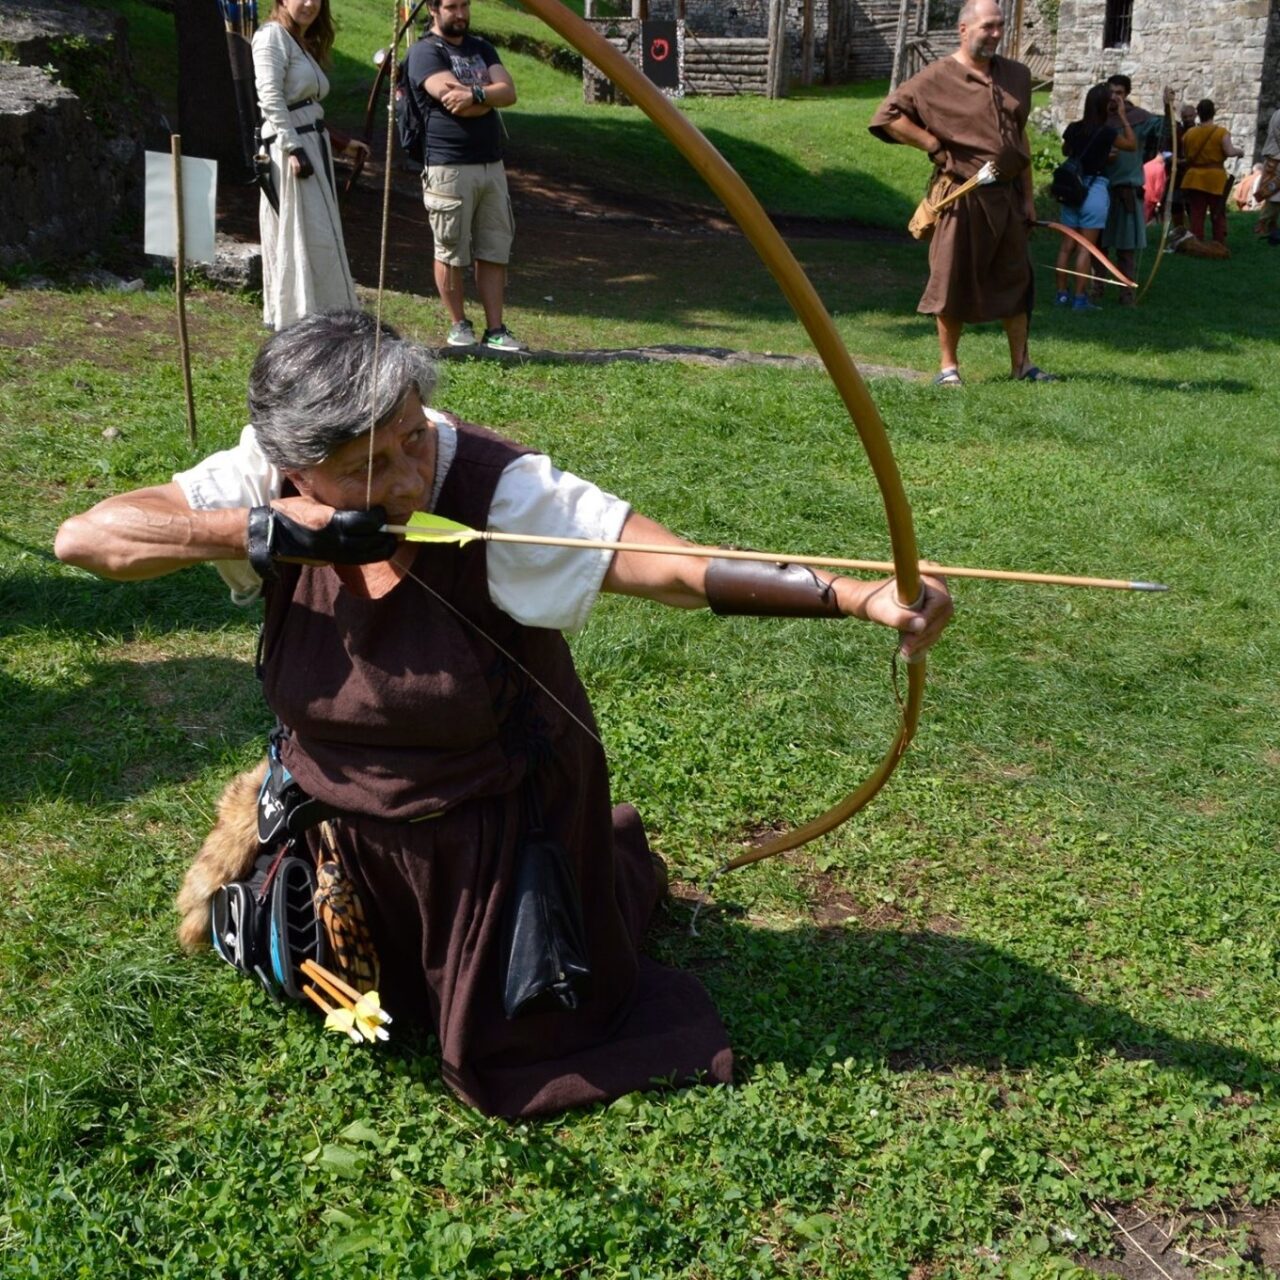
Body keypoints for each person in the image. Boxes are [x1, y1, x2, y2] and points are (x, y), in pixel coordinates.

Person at [53, 310, 954, 1119]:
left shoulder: (502, 491)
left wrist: (854, 595)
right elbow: (86, 537)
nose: (406, 478)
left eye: (411, 438)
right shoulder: (264, 481)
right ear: (292, 466)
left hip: (492, 826)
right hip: (341, 821)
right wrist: (264, 530)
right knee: (322, 973)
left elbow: (672, 567)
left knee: (535, 1034)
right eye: (365, 467)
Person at [869, 0, 1053, 386]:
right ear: (964, 29)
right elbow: (887, 117)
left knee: (1016, 278)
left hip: (1006, 196)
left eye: (1000, 26)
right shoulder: (936, 78)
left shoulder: (1016, 75)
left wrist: (1028, 197)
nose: (997, 34)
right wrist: (932, 145)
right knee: (950, 279)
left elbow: (1020, 139)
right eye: (988, 26)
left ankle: (1022, 365)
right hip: (961, 195)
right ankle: (948, 368)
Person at [405, 0, 524, 351]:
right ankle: (459, 325)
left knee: (493, 247)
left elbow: (509, 92)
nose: (460, 14)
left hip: (491, 164)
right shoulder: (424, 53)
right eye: (452, 7)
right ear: (433, 9)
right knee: (450, 248)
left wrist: (474, 93)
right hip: (448, 165)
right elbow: (451, 101)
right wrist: (488, 95)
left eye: (465, 5)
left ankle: (496, 328)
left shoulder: (482, 47)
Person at [251, 0, 367, 330]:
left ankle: (325, 321)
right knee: (300, 234)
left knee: (319, 235)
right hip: (292, 155)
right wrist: (292, 148)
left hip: (308, 147)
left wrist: (342, 143)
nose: (309, 3)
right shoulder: (271, 36)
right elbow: (270, 97)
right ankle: (298, 323)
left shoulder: (298, 40)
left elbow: (305, 107)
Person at [1053, 83, 1135, 310]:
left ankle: (1061, 294)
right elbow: (1131, 144)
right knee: (1086, 247)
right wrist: (1122, 116)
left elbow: (1066, 151)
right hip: (1094, 189)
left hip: (1071, 188)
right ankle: (1080, 299)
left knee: (1066, 246)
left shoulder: (1074, 128)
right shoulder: (1107, 132)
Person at [1092, 76, 1169, 306]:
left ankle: (1127, 293)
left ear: (1126, 94)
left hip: (1126, 191)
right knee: (1099, 246)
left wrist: (1167, 106)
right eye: (1111, 92)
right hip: (1101, 190)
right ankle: (1097, 288)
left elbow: (1165, 129)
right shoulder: (1099, 118)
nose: (1115, 96)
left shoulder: (1139, 119)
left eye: (1119, 92)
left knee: (1126, 248)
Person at [1180, 99, 1244, 247]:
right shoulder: (1221, 132)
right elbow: (1229, 151)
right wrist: (1240, 151)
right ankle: (1219, 242)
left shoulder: (1189, 134)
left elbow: (1187, 155)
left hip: (1194, 177)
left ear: (1198, 114)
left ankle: (1196, 242)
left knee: (1196, 213)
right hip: (1215, 178)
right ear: (1213, 113)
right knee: (1218, 211)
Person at [1254, 104, 1280, 245]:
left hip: (1275, 157)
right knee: (1274, 192)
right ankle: (1262, 223)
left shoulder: (1277, 113)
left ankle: (1271, 224)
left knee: (1274, 192)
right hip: (1277, 158)